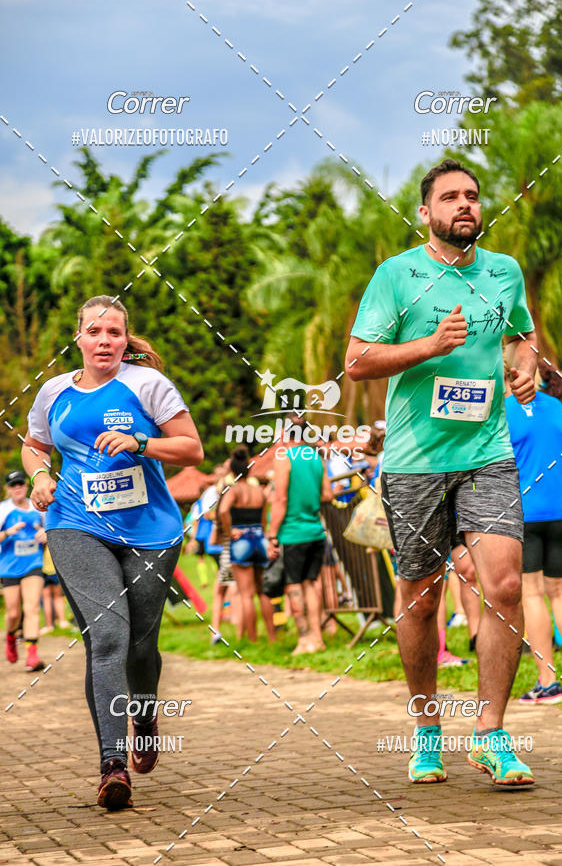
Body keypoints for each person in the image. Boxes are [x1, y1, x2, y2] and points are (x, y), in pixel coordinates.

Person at [346, 158, 537, 785]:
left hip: (487, 453)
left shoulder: (503, 272)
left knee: (505, 587)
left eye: (474, 196)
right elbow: (358, 362)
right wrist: (429, 346)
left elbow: (520, 337)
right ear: (425, 212)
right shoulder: (398, 276)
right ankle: (427, 728)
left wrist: (524, 364)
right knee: (421, 599)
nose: (465, 205)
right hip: (414, 463)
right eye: (450, 197)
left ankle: (492, 733)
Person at [22, 295, 204, 811]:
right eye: (95, 331)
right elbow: (34, 444)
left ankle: (143, 716)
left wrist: (139, 443)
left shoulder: (148, 385)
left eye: (115, 333)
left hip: (150, 530)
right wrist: (39, 474)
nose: (104, 340)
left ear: (126, 341)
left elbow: (192, 449)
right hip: (75, 524)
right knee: (106, 637)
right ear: (77, 338)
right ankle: (112, 765)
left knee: (140, 648)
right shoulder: (54, 391)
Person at [505, 363, 562, 702]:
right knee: (561, 591)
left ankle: (547, 681)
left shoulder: (504, 410)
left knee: (532, 592)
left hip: (526, 511)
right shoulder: (559, 407)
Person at [268, 417, 334, 655]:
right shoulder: (316, 458)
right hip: (316, 530)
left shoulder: (285, 458)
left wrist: (272, 535)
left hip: (292, 532)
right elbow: (327, 494)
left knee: (294, 586)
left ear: (287, 434)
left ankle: (304, 639)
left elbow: (280, 499)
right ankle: (318, 637)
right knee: (312, 584)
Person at [218, 446, 276, 643]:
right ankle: (272, 637)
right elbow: (263, 519)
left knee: (246, 595)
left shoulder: (234, 490)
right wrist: (262, 532)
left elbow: (223, 511)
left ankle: (252, 640)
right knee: (263, 591)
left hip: (241, 540)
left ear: (233, 471)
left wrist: (229, 531)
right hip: (260, 538)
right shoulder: (259, 490)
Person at [0, 470, 46, 671]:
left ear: (26, 485)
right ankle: (10, 636)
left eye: (20, 483)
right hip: (9, 566)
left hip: (33, 563)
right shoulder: (3, 509)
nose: (17, 488)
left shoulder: (38, 507)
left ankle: (32, 655)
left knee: (32, 607)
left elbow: (51, 530)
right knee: (13, 614)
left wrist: (46, 533)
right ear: (7, 489)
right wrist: (8, 532)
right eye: (13, 485)